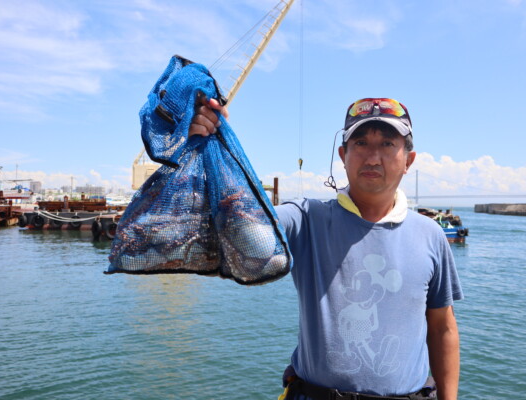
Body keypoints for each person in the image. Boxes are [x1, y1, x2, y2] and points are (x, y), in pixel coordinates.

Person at [190, 97, 463, 400]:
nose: (373, 157)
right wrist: (209, 145)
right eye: (360, 142)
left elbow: (442, 328)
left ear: (408, 160)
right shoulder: (307, 218)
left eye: (387, 144)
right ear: (343, 155)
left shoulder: (431, 235)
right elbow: (244, 227)